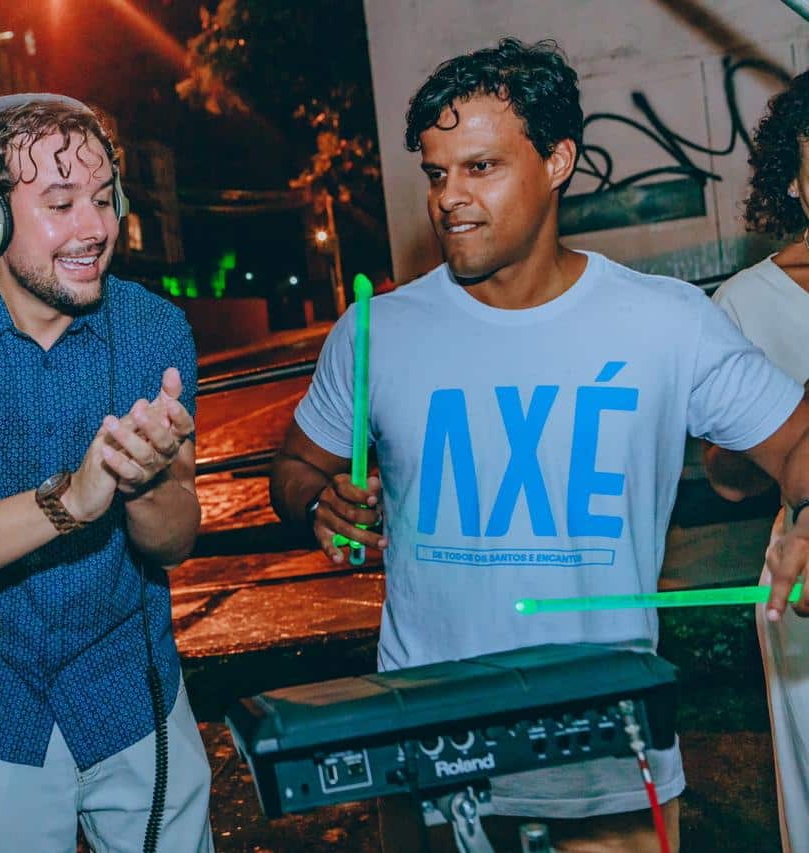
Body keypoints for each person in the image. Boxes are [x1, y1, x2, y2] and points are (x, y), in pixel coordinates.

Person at [270, 38, 809, 851]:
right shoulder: (377, 329)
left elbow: (800, 442)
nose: (450, 198)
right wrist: (320, 502)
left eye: (480, 167)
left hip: (607, 771)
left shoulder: (664, 322)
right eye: (437, 174)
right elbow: (292, 469)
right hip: (428, 766)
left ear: (558, 161)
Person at [0, 94, 213, 852]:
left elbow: (175, 540)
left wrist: (147, 481)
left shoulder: (155, 328)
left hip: (133, 692)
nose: (95, 228)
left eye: (103, 199)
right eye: (60, 204)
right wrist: (71, 502)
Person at [706, 69, 809, 853]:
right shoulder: (744, 303)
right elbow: (725, 479)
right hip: (801, 578)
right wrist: (783, 427)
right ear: (795, 180)